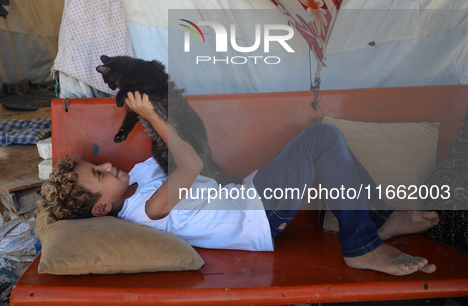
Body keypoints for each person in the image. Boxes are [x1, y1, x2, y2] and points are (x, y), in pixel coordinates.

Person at [39, 91, 440, 276]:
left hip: (250, 193)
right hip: (261, 217)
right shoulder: (147, 209)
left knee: (320, 136)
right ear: (100, 208)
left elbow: (181, 151)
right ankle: (361, 246)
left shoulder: (139, 178)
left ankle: (377, 218)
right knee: (323, 138)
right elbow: (190, 164)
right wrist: (151, 115)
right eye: (98, 174)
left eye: (99, 164)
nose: (108, 164)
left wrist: (153, 106)